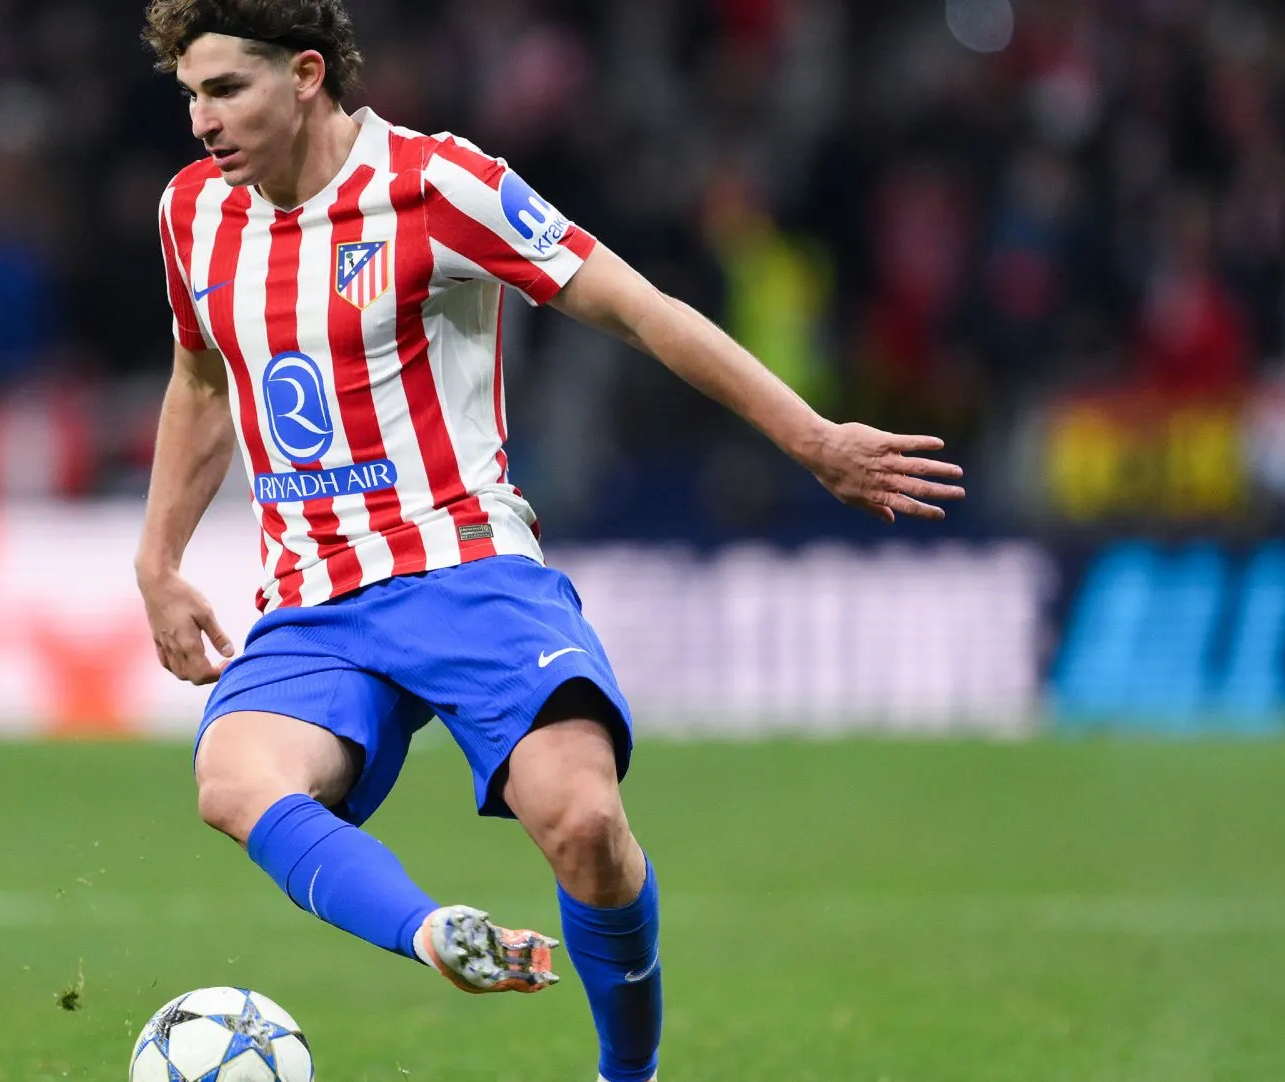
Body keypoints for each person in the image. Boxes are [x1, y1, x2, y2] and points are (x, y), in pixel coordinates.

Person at [132, 3, 965, 1080]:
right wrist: (157, 561)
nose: (201, 120)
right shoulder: (192, 214)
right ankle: (436, 932)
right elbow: (202, 379)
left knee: (583, 825)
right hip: (317, 597)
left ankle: (630, 1073)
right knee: (232, 779)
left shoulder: (441, 184)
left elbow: (640, 308)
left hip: (466, 565)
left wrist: (812, 437)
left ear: (304, 75)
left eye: (225, 90)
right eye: (190, 95)